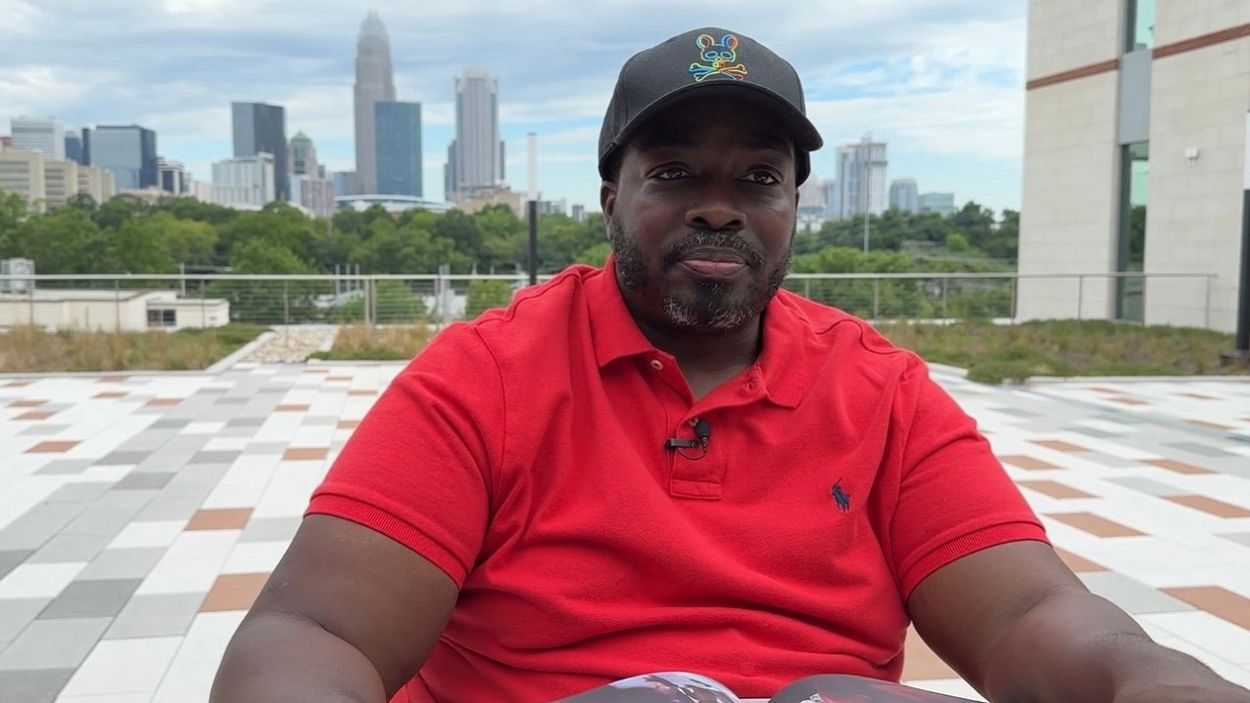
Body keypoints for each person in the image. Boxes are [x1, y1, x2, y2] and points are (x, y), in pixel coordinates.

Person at [211, 27, 1250, 703]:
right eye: (674, 173)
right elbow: (314, 628)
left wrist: (1149, 676)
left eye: (757, 178)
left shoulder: (881, 390)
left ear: (794, 205)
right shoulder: (485, 373)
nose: (718, 207)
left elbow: (1028, 612)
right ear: (610, 197)